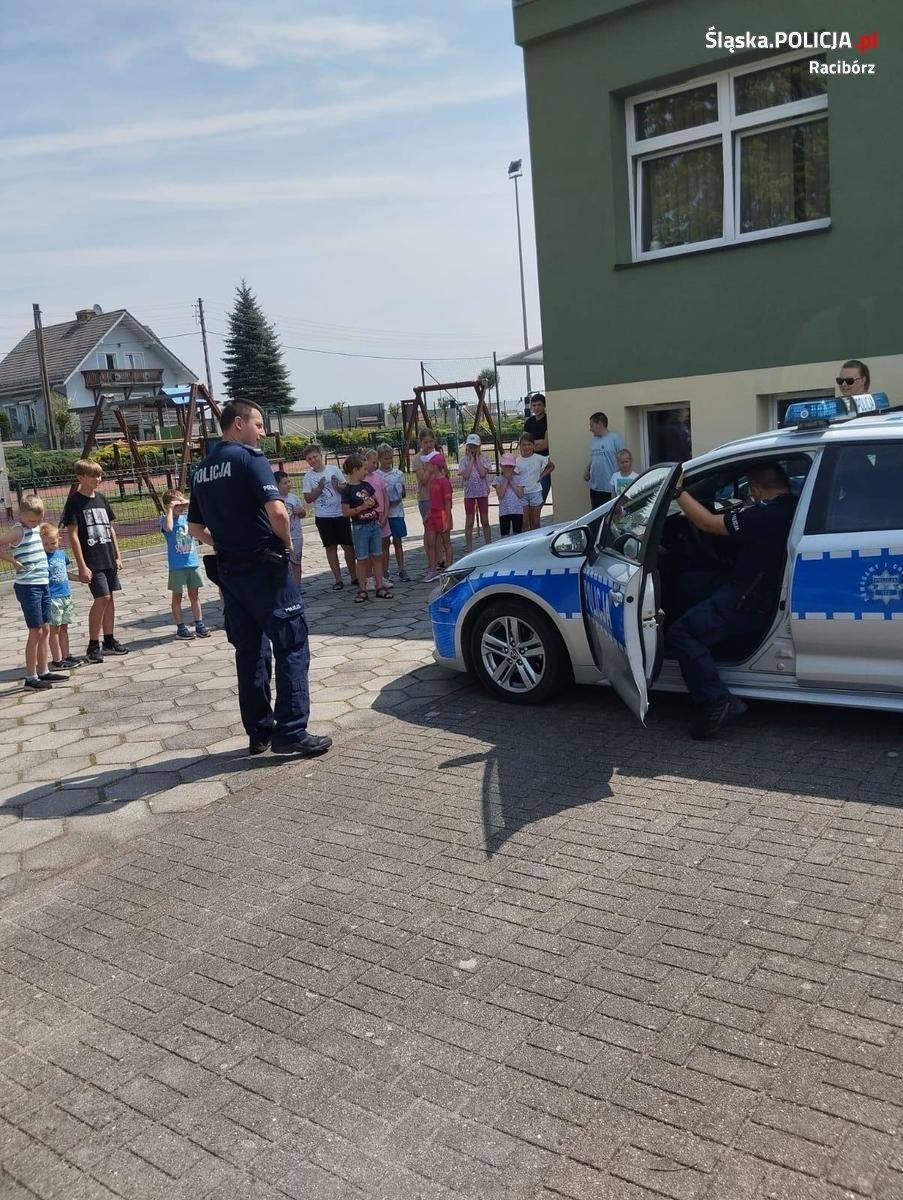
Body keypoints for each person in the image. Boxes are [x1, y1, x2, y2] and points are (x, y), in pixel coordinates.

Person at [187, 400, 331, 758]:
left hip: (231, 574)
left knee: (249, 652)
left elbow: (193, 528)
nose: (263, 432)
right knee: (292, 645)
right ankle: (292, 732)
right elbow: (278, 511)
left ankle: (259, 733)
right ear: (238, 424)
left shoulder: (202, 469)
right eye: (259, 424)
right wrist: (283, 543)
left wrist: (224, 542)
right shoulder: (250, 460)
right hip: (266, 570)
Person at [666, 463, 796, 740]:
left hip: (747, 599)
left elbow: (705, 523)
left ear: (757, 489)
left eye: (751, 492)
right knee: (688, 583)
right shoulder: (792, 508)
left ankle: (716, 701)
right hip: (753, 586)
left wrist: (676, 490)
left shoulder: (763, 516)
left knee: (681, 631)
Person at [61, 459, 128, 664]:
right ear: (81, 477)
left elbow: (110, 528)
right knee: (102, 598)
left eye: (99, 475)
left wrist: (117, 554)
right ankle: (93, 644)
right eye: (93, 476)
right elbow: (73, 535)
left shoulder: (101, 499)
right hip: (92, 559)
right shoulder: (74, 502)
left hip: (108, 556)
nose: (98, 479)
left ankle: (109, 640)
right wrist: (81, 564)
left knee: (110, 599)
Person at [0, 496, 68, 690]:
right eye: (32, 521)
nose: (36, 524)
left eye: (39, 520)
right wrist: (12, 561)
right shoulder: (18, 531)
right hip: (28, 586)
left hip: (43, 583)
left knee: (46, 628)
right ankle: (30, 677)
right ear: (21, 515)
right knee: (35, 631)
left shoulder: (37, 528)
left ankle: (44, 670)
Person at [302, 444, 355, 591]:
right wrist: (318, 489)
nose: (313, 461)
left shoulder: (334, 470)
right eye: (309, 459)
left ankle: (354, 576)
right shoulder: (308, 477)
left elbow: (346, 489)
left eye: (315, 457)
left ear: (321, 456)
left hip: (339, 513)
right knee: (331, 547)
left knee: (348, 546)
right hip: (323, 516)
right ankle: (338, 579)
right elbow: (307, 498)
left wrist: (336, 485)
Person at [340, 454, 392, 603]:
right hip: (359, 527)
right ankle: (362, 589)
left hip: (373, 525)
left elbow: (375, 502)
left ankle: (380, 586)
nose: (366, 471)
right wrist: (362, 507)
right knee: (362, 559)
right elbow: (345, 512)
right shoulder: (347, 490)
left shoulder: (367, 486)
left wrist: (372, 504)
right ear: (355, 470)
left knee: (377, 556)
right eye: (363, 469)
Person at [160, 489, 210, 640]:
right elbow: (168, 528)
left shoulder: (187, 518)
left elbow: (200, 512)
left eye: (182, 504)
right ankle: (181, 627)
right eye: (178, 504)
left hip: (192, 562)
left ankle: (199, 623)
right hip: (177, 566)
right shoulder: (164, 519)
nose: (181, 507)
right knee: (177, 596)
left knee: (194, 595)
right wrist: (170, 509)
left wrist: (184, 502)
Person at [41, 522, 83, 669]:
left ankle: (66, 655)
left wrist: (79, 578)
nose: (50, 546)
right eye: (45, 544)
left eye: (53, 543)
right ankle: (57, 659)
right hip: (53, 598)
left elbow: (65, 574)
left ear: (59, 539)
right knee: (55, 629)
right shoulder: (42, 558)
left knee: (64, 628)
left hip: (66, 595)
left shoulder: (61, 554)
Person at [376, 443, 410, 582]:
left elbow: (404, 494)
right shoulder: (376, 475)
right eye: (385, 459)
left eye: (390, 458)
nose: (388, 461)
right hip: (384, 514)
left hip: (397, 513)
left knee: (398, 541)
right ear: (379, 459)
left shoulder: (398, 473)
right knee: (384, 543)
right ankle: (385, 571)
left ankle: (402, 569)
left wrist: (399, 492)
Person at [458, 432, 492, 554]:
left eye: (475, 447)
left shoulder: (484, 458)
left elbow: (483, 474)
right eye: (470, 447)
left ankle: (488, 544)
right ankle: (469, 546)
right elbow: (466, 475)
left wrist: (477, 458)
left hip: (482, 493)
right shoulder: (463, 461)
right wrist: (471, 460)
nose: (472, 449)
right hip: (469, 495)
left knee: (485, 521)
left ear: (479, 447)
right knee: (469, 521)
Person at [584, 413, 624, 508]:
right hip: (595, 487)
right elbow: (593, 458)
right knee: (596, 517)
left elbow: (623, 460)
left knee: (609, 517)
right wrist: (587, 469)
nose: (590, 429)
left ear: (600, 423)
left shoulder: (615, 439)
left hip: (610, 488)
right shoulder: (594, 440)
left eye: (592, 425)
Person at [516, 433, 554, 532]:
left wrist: (542, 476)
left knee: (535, 522)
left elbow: (551, 466)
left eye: (529, 444)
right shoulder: (517, 461)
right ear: (520, 446)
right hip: (522, 494)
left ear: (533, 445)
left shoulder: (539, 458)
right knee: (524, 523)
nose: (526, 447)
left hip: (535, 492)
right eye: (524, 445)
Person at [424, 454, 453, 582]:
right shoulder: (432, 481)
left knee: (446, 543)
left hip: (442, 515)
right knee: (431, 543)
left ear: (435, 466)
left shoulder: (445, 482)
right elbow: (432, 500)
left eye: (430, 464)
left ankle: (450, 569)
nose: (428, 466)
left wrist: (447, 519)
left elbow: (448, 503)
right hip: (432, 515)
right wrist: (428, 513)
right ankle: (432, 569)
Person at [274, 471, 306, 585]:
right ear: (276, 485)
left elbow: (303, 513)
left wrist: (301, 511)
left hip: (296, 535)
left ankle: (297, 586)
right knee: (283, 563)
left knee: (296, 561)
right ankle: (286, 586)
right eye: (284, 483)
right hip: (281, 536)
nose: (288, 484)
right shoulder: (274, 500)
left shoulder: (294, 498)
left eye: (289, 481)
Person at [523, 394, 551, 507]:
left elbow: (546, 444)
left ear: (544, 405)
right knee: (531, 501)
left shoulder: (549, 420)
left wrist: (532, 443)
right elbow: (524, 445)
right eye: (534, 405)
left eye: (539, 404)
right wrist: (536, 443)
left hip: (546, 464)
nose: (536, 408)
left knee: (540, 500)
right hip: (532, 465)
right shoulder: (529, 422)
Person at [495, 453, 526, 537]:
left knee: (518, 535)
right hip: (504, 512)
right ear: (501, 466)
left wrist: (511, 481)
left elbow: (520, 495)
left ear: (514, 467)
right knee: (505, 536)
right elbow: (500, 495)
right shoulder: (497, 479)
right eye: (506, 466)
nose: (508, 469)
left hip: (517, 511)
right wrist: (506, 480)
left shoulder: (519, 478)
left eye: (510, 466)